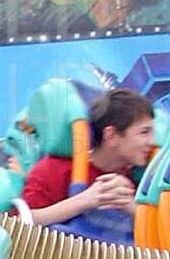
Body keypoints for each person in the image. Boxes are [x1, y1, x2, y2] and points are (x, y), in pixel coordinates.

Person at [20, 88, 154, 231]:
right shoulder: (53, 169)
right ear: (111, 136)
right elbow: (19, 222)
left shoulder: (142, 181)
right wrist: (85, 200)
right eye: (144, 132)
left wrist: (133, 208)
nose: (152, 141)